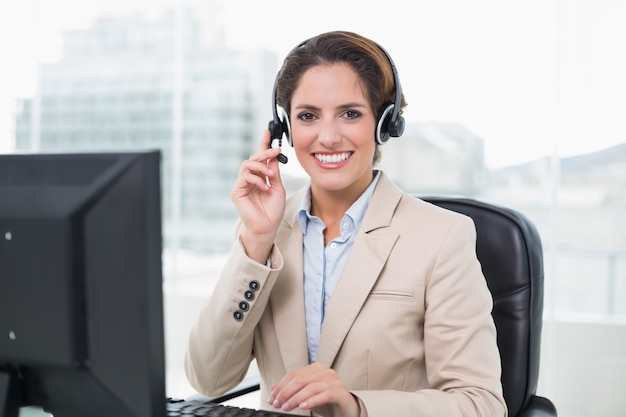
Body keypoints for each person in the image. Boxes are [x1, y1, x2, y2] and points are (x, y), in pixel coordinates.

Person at [185, 30, 507, 417]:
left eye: (350, 113)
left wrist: (357, 407)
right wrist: (257, 242)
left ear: (385, 123)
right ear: (284, 129)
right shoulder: (265, 232)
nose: (328, 137)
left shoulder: (441, 238)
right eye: (307, 116)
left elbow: (481, 405)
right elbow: (208, 378)